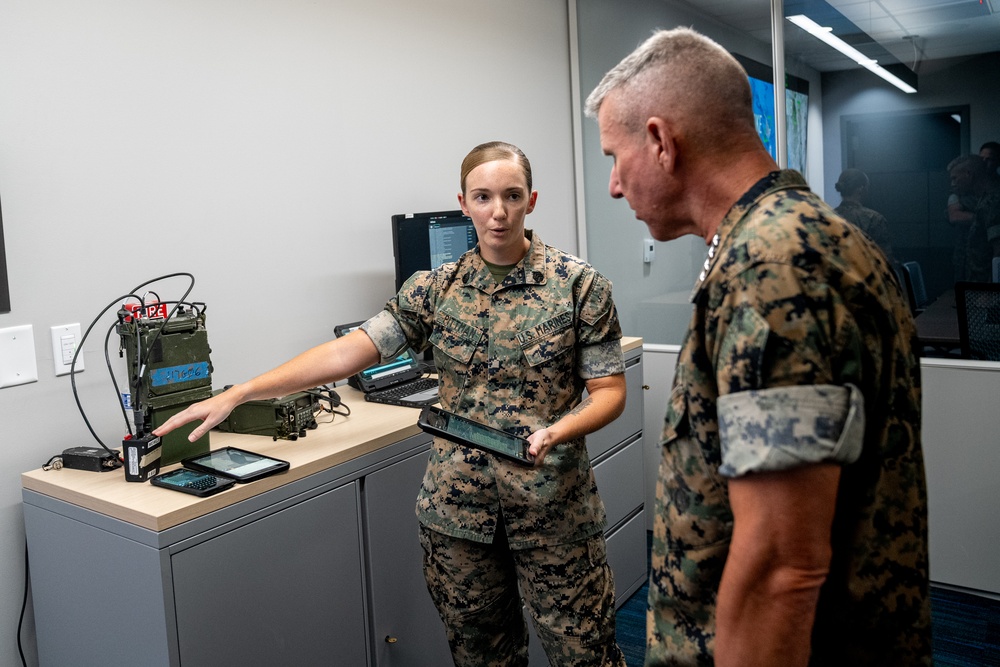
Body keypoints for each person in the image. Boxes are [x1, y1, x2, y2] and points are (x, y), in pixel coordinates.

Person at [155, 141, 629, 667]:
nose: (499, 212)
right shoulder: (432, 289)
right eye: (483, 196)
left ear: (532, 200)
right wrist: (242, 391)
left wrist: (557, 432)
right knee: (482, 659)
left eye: (512, 196)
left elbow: (609, 394)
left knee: (588, 657)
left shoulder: (579, 286)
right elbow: (347, 351)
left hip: (553, 512)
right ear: (464, 202)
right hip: (459, 517)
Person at [584, 27, 931, 666]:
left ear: (661, 142)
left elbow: (782, 567)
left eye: (614, 155)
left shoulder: (773, 268)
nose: (612, 184)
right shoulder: (805, 237)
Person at [949, 153, 1000, 282]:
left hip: (987, 287)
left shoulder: (992, 201)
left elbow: (998, 251)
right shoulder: (983, 200)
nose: (953, 184)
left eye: (955, 178)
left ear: (968, 174)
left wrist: (990, 292)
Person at [832, 168, 895, 265]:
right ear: (861, 189)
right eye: (867, 187)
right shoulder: (874, 219)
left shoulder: (826, 217)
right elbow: (885, 262)